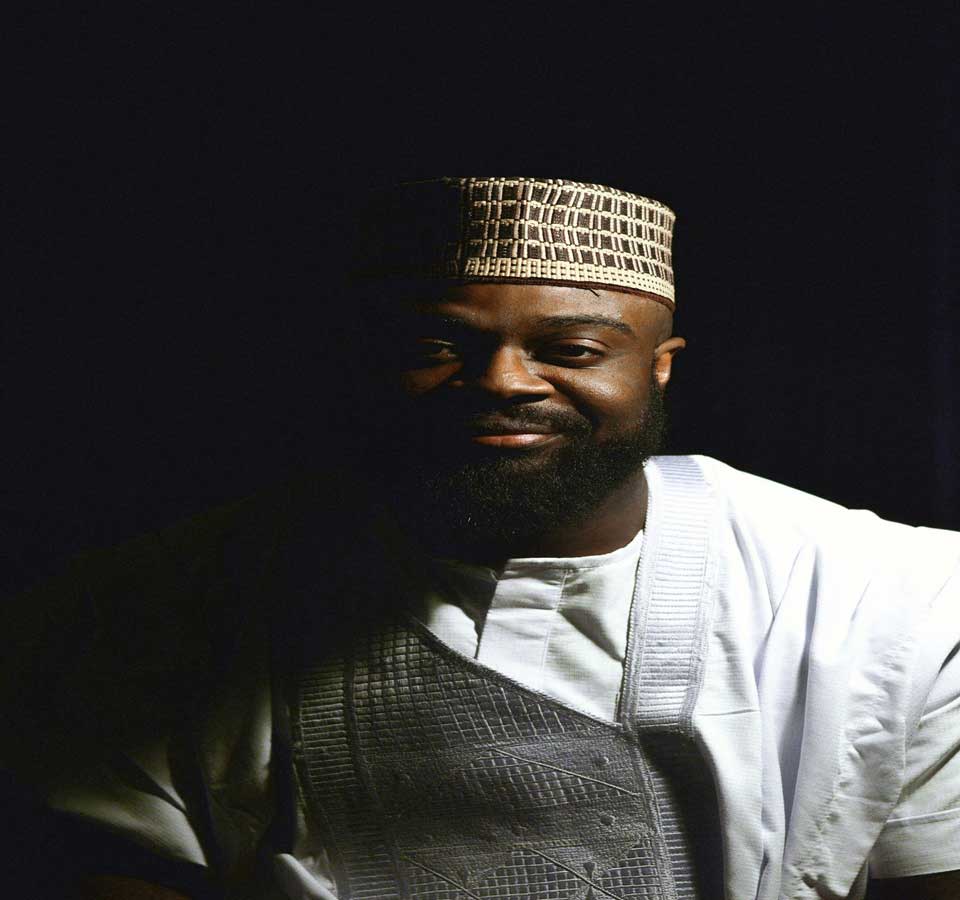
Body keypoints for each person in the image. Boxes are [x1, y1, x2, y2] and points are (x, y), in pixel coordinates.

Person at [2, 177, 959, 900]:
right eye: (438, 349)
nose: (502, 381)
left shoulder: (892, 597)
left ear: (660, 367)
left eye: (570, 349)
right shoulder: (163, 603)